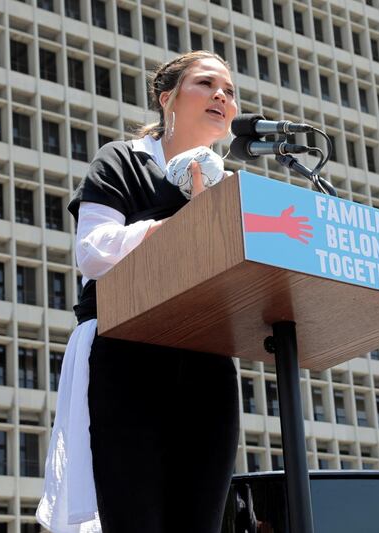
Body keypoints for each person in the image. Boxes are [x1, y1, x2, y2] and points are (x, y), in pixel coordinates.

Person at [36, 50, 240, 533]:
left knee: (201, 520)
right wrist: (176, 225)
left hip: (206, 360)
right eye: (206, 84)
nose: (222, 96)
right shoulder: (120, 161)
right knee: (135, 517)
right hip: (126, 354)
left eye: (229, 91)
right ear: (167, 99)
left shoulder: (231, 187)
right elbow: (92, 252)